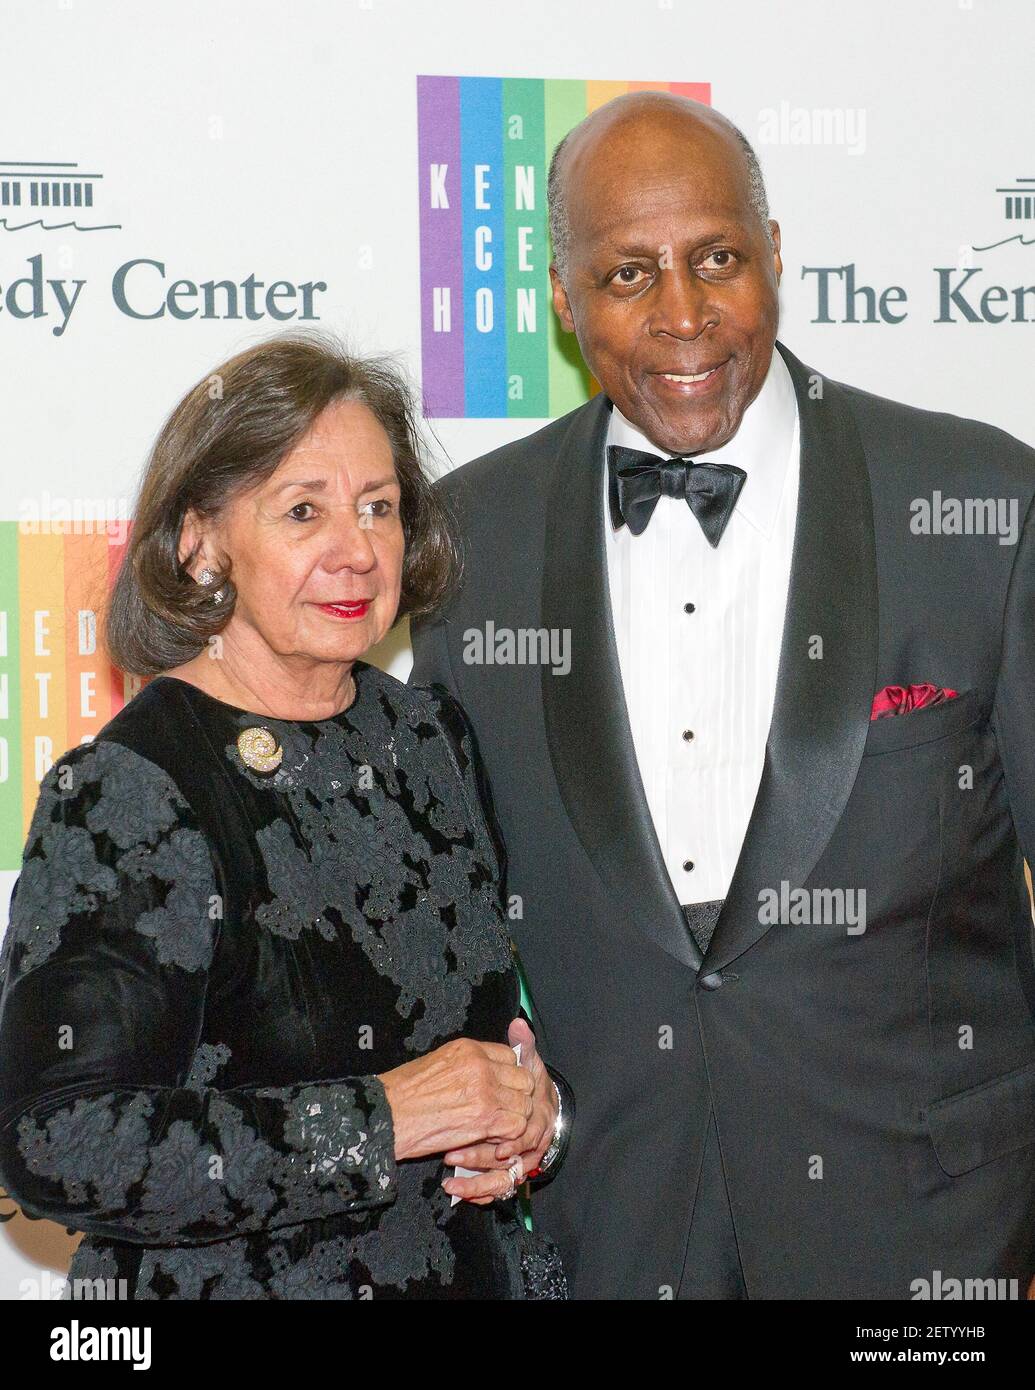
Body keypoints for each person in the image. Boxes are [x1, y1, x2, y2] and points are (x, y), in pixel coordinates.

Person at [409, 90, 1035, 1299]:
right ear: (560, 299)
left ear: (777, 255)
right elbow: (451, 919)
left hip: (933, 1226)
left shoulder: (977, 503)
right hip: (611, 1213)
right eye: (629, 273)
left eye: (717, 259)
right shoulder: (463, 543)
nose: (683, 316)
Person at [0, 332, 571, 1300]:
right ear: (200, 540)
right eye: (302, 510)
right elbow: (58, 1136)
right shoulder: (132, 788)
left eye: (379, 508)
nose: (356, 550)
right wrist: (383, 1117)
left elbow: (493, 1038)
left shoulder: (431, 740)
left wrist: (533, 1117)